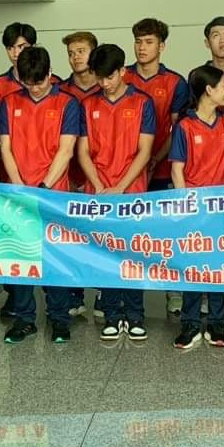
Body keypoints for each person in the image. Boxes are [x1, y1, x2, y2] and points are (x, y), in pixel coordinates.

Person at [0, 46, 82, 344]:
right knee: (21, 258)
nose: (34, 89)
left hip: (53, 195)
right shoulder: (9, 103)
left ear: (50, 74)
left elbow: (66, 150)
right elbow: (6, 149)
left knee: (54, 258)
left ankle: (59, 318)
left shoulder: (67, 103)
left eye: (39, 82)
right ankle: (24, 319)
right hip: (19, 193)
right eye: (28, 83)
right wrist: (20, 187)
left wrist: (43, 188)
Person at [78, 43, 156, 340]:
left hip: (131, 191)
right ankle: (111, 313)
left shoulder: (142, 103)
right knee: (105, 253)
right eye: (99, 78)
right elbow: (83, 151)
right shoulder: (88, 105)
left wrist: (121, 187)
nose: (104, 84)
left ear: (123, 71)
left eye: (109, 77)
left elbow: (145, 151)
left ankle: (135, 314)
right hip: (98, 192)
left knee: (133, 254)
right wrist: (99, 186)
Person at [169, 64, 224, 349]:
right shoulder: (185, 126)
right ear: (209, 90)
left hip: (222, 209)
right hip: (194, 210)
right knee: (193, 267)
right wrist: (186, 208)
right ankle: (190, 323)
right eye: (223, 86)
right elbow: (177, 170)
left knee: (219, 266)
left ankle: (218, 323)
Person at [59, 30, 100, 318]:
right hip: (68, 178)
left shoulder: (109, 87)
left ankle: (102, 291)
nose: (76, 57)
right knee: (71, 239)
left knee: (100, 239)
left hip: (101, 179)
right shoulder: (61, 92)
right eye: (71, 53)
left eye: (81, 51)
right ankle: (74, 294)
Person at [124, 18, 190, 191]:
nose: (142, 47)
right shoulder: (122, 77)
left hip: (162, 169)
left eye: (149, 42)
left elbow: (178, 128)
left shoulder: (175, 82)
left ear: (161, 46)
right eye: (138, 41)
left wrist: (156, 158)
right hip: (123, 170)